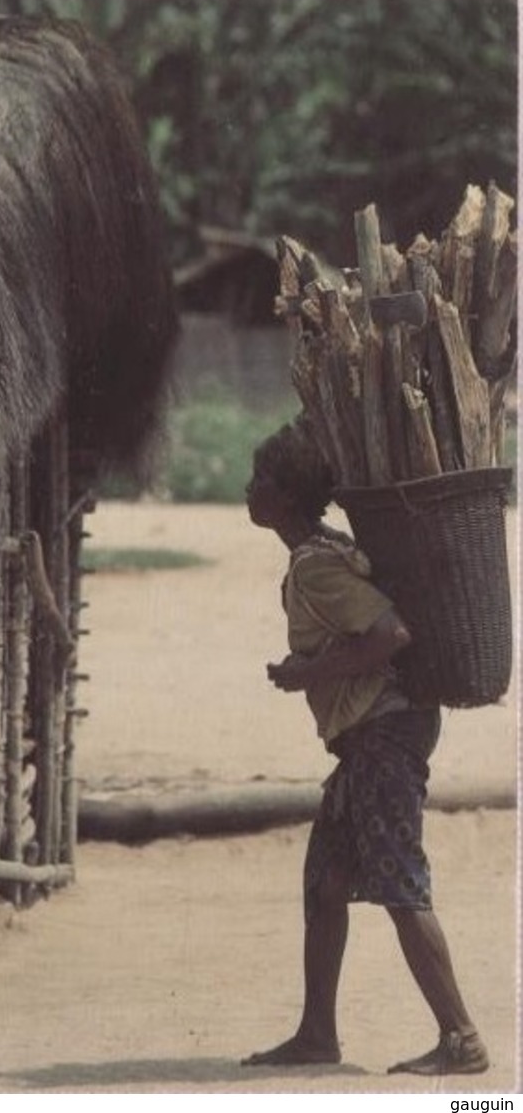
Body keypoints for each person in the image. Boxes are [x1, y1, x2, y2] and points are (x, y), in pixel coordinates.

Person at [241, 416, 489, 1076]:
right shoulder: (319, 550)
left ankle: (462, 1038)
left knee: (401, 884)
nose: (248, 489)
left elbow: (391, 635)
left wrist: (304, 676)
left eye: (259, 479)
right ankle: (317, 1035)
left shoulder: (318, 566)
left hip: (385, 733)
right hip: (369, 740)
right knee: (327, 883)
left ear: (285, 498)